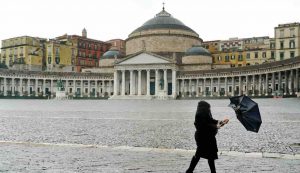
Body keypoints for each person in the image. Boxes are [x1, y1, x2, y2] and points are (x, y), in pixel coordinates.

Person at [186, 101, 229, 173]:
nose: (209, 109)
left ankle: (212, 171)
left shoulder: (206, 113)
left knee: (210, 156)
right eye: (208, 108)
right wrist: (216, 126)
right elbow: (204, 126)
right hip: (202, 138)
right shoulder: (199, 115)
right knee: (198, 154)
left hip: (209, 137)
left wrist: (221, 122)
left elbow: (211, 120)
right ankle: (190, 170)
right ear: (204, 108)